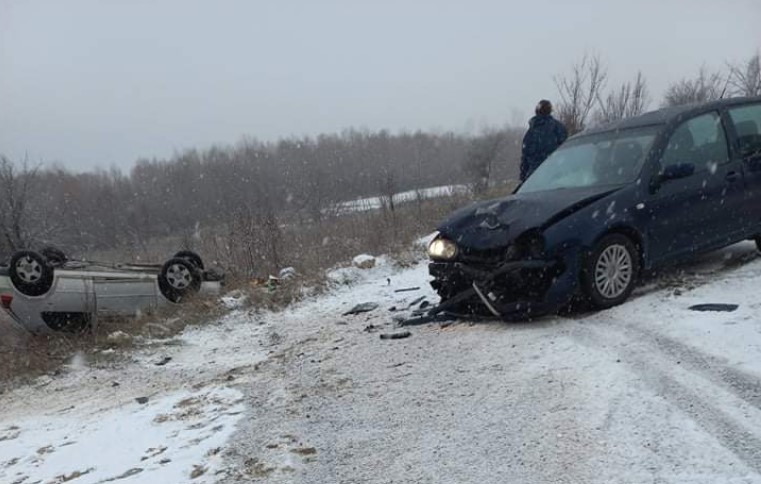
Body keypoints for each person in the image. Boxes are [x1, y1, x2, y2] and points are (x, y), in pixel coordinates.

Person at [520, 100, 568, 181]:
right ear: (550, 110)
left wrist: (524, 178)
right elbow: (566, 151)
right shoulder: (558, 128)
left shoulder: (530, 133)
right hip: (557, 176)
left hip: (534, 179)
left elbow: (525, 158)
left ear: (537, 111)